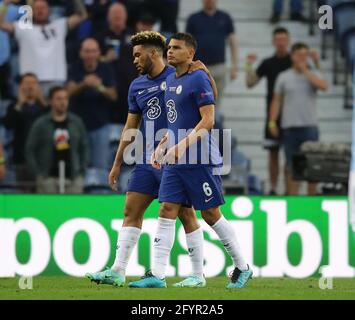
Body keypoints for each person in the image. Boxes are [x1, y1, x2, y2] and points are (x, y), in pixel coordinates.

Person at [86, 31, 219, 288]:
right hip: (147, 158)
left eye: (138, 55)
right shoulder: (137, 86)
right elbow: (130, 126)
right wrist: (117, 163)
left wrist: (208, 73)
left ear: (153, 53)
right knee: (130, 209)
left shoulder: (179, 74)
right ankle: (118, 271)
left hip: (176, 156)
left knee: (185, 214)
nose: (134, 60)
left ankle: (196, 275)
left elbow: (209, 102)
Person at [128, 33, 252, 289]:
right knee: (167, 209)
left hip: (199, 157)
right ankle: (158, 275)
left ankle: (242, 266)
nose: (170, 51)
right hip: (175, 159)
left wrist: (182, 146)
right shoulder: (172, 80)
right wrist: (163, 145)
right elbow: (175, 120)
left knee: (210, 214)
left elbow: (208, 120)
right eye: (169, 47)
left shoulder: (198, 78)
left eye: (176, 48)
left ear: (190, 53)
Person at [268, 42, 328, 195]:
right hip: (290, 128)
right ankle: (292, 199)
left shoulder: (313, 73)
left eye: (305, 55)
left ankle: (311, 199)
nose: (303, 58)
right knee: (291, 166)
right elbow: (276, 100)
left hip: (309, 127)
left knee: (312, 166)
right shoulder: (284, 76)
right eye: (299, 55)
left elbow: (323, 86)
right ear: (293, 56)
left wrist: (306, 70)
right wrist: (272, 122)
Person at [0, 0, 88, 95]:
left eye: (43, 8)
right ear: (31, 12)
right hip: (31, 82)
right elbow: (1, 24)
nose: (40, 11)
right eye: (37, 9)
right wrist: (5, 3)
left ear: (49, 11)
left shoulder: (59, 26)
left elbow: (82, 15)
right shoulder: (23, 28)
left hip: (56, 81)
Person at [245, 27, 292, 195]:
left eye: (283, 39)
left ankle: (289, 190)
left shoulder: (295, 61)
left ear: (288, 41)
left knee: (290, 156)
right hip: (272, 114)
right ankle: (273, 188)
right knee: (273, 153)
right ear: (273, 42)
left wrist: (314, 63)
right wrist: (248, 65)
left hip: (292, 115)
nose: (280, 43)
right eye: (278, 39)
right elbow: (250, 83)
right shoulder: (268, 63)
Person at [26, 86, 89, 194]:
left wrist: (82, 172)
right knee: (48, 210)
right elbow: (30, 149)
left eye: (65, 99)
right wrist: (38, 174)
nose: (63, 102)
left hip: (73, 178)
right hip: (48, 179)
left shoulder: (76, 122)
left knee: (73, 210)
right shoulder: (40, 124)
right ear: (50, 101)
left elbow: (85, 147)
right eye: (59, 99)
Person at [66, 38, 117, 169]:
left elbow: (113, 96)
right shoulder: (74, 68)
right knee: (76, 166)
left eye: (93, 51)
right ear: (81, 53)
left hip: (100, 126)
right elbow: (68, 92)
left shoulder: (105, 68)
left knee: (100, 166)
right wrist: (84, 84)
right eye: (87, 51)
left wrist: (99, 87)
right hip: (77, 127)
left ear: (99, 53)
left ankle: (100, 190)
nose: (90, 55)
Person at [186, 0, 238, 105]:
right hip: (199, 67)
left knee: (216, 102)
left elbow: (232, 42)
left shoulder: (225, 17)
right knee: (198, 101)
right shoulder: (193, 18)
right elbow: (186, 43)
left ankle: (215, 120)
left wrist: (234, 67)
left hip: (218, 67)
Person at [4, 73, 47, 188]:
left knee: (42, 192)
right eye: (27, 83)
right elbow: (8, 125)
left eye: (33, 83)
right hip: (21, 157)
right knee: (23, 191)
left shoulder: (44, 107)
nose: (30, 86)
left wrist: (42, 100)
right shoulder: (14, 106)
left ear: (38, 86)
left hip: (41, 158)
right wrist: (19, 103)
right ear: (21, 86)